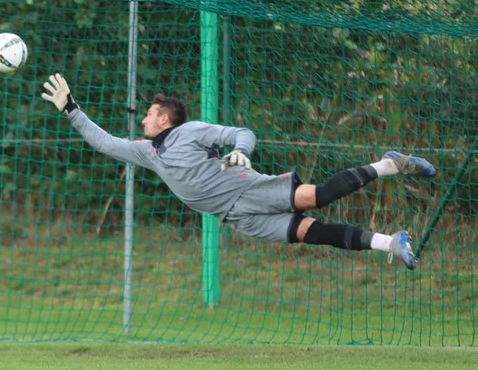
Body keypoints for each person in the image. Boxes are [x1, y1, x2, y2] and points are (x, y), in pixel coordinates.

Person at [41, 74, 436, 268]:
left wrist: (242, 152)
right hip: (233, 216)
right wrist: (71, 109)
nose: (143, 118)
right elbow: (106, 143)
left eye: (149, 113)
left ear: (164, 118)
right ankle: (392, 242)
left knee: (317, 197)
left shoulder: (191, 132)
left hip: (242, 190)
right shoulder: (148, 152)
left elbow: (241, 133)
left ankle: (388, 164)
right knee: (310, 233)